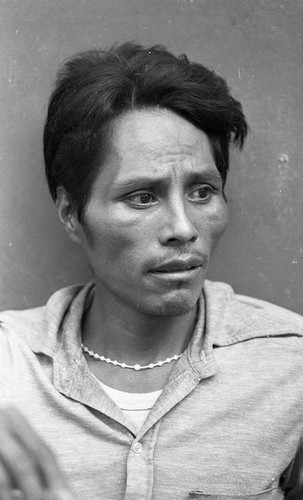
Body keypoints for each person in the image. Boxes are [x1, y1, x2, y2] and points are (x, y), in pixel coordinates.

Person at [0, 42, 302, 500]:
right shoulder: (10, 368)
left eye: (203, 191)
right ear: (69, 212)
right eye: (143, 196)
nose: (183, 229)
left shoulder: (290, 367)